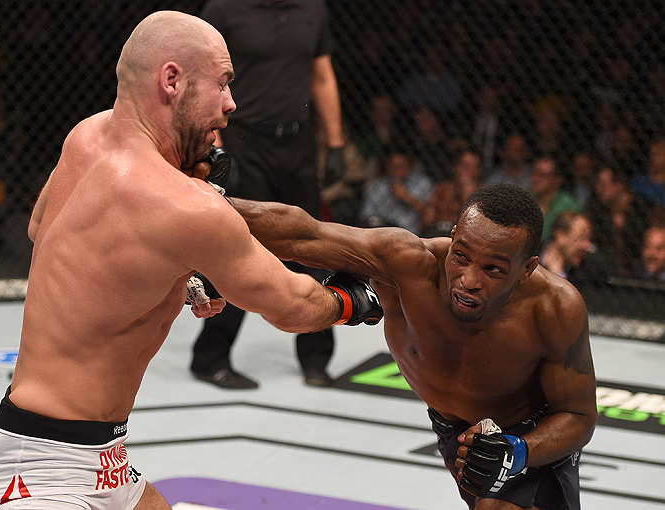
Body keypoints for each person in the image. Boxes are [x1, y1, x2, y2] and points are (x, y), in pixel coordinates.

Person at [0, 12, 383, 510]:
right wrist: (356, 299)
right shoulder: (186, 205)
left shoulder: (86, 136)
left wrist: (168, 274)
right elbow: (294, 305)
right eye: (224, 83)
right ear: (172, 80)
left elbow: (43, 228)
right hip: (41, 473)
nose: (232, 103)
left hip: (100, 455)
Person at [229, 183, 597, 509]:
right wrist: (204, 202)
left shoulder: (555, 308)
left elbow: (579, 416)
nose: (469, 280)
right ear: (453, 237)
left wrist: (518, 451)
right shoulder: (407, 262)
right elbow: (302, 234)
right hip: (452, 429)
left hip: (529, 431)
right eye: (462, 256)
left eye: (494, 269)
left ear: (528, 268)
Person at [190, 0, 348, 389]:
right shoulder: (224, 10)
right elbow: (204, 78)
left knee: (313, 242)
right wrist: (216, 146)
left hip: (297, 139)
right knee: (239, 247)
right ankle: (210, 357)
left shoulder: (312, 8)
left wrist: (336, 141)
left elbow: (321, 74)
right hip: (243, 136)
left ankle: (315, 357)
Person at [358, 144, 434, 235]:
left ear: (410, 166)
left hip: (412, 235)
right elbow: (366, 216)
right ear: (387, 167)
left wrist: (407, 197)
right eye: (393, 166)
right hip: (381, 234)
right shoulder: (377, 187)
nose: (397, 170)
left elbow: (431, 215)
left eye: (401, 166)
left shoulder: (423, 184)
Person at [420, 150, 482, 238]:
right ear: (456, 167)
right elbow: (427, 219)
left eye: (473, 166)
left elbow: (475, 223)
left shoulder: (483, 193)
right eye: (465, 166)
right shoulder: (442, 188)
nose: (468, 171)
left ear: (478, 170)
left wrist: (466, 190)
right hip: (437, 234)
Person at [529, 156, 581, 244]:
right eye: (534, 173)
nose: (536, 179)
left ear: (557, 180)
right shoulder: (523, 197)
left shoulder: (567, 204)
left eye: (542, 175)